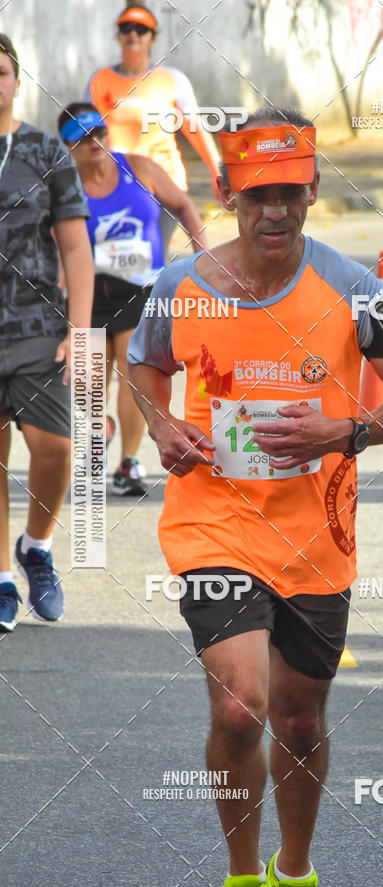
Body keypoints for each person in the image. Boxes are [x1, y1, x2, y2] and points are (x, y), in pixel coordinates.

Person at [128, 106, 383, 887]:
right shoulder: (182, 288)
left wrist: (346, 429)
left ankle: (293, 873)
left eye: (290, 193)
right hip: (213, 519)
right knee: (240, 709)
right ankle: (241, 880)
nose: (275, 210)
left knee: (299, 721)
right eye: (258, 193)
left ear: (313, 189)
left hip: (316, 534)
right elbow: (144, 365)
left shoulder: (355, 289)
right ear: (228, 190)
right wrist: (162, 425)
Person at [58, 102, 209, 496]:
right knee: (90, 383)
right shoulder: (64, 185)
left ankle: (128, 462)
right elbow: (56, 243)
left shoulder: (138, 168)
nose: (95, 143)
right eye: (83, 138)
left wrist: (202, 255)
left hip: (139, 289)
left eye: (99, 133)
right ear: (68, 147)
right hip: (89, 291)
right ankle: (96, 444)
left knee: (133, 370)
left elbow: (183, 205)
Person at [0, 36, 93, 633]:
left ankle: (36, 546)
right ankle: (2, 582)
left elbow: (76, 245)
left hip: (37, 326)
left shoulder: (45, 151)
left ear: (16, 80)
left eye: (1, 72)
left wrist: (80, 332)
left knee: (54, 449)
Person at [84, 4, 221, 252]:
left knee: (153, 254)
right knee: (118, 257)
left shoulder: (171, 79)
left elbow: (195, 128)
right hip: (117, 182)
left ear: (153, 37)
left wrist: (218, 170)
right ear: (118, 35)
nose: (133, 34)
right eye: (126, 28)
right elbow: (84, 135)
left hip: (165, 182)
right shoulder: (99, 80)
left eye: (141, 29)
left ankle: (185, 283)